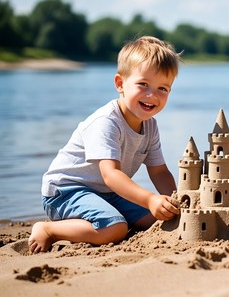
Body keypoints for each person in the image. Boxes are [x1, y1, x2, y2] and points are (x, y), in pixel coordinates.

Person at [29, 36, 181, 254]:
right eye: (143, 84)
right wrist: (149, 198)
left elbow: (159, 171)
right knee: (114, 227)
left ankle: (106, 215)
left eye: (162, 88)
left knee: (159, 218)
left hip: (107, 192)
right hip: (66, 191)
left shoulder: (150, 126)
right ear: (120, 84)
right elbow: (110, 175)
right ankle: (49, 229)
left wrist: (176, 201)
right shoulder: (106, 122)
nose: (152, 95)